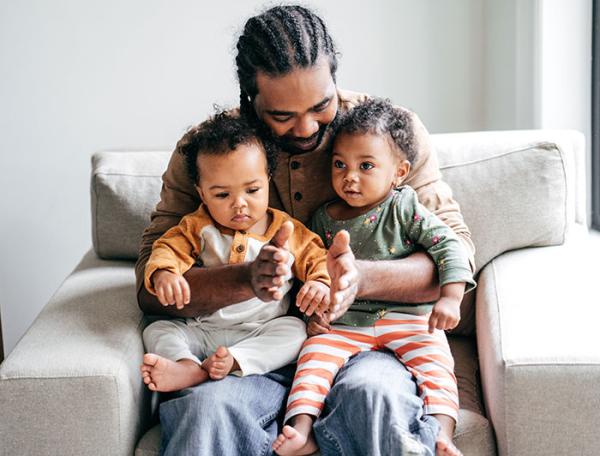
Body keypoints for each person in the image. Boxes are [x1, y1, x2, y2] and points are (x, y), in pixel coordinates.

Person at [135, 5, 475, 455]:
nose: (308, 127)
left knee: (375, 399)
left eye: (322, 106)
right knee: (206, 413)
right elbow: (148, 287)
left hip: (362, 340)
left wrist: (356, 278)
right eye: (282, 116)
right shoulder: (211, 153)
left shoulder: (385, 135)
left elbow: (457, 253)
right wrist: (244, 278)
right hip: (244, 349)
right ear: (249, 99)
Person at [272, 98, 476, 456]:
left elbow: (449, 246)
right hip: (346, 324)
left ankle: (441, 435)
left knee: (437, 364)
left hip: (408, 319)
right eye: (340, 165)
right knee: (313, 359)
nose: (349, 177)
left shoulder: (405, 207)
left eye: (366, 166)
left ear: (398, 172)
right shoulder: (323, 218)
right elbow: (312, 269)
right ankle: (302, 430)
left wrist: (450, 297)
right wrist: (314, 309)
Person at [140, 112, 331, 393]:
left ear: (268, 180)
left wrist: (319, 283)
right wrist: (164, 273)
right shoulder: (197, 226)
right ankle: (187, 367)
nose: (239, 204)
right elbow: (167, 248)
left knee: (294, 331)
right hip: (203, 329)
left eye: (252, 190)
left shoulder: (287, 229)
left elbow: (317, 258)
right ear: (202, 193)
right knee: (156, 330)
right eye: (221, 195)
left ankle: (237, 361)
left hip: (262, 329)